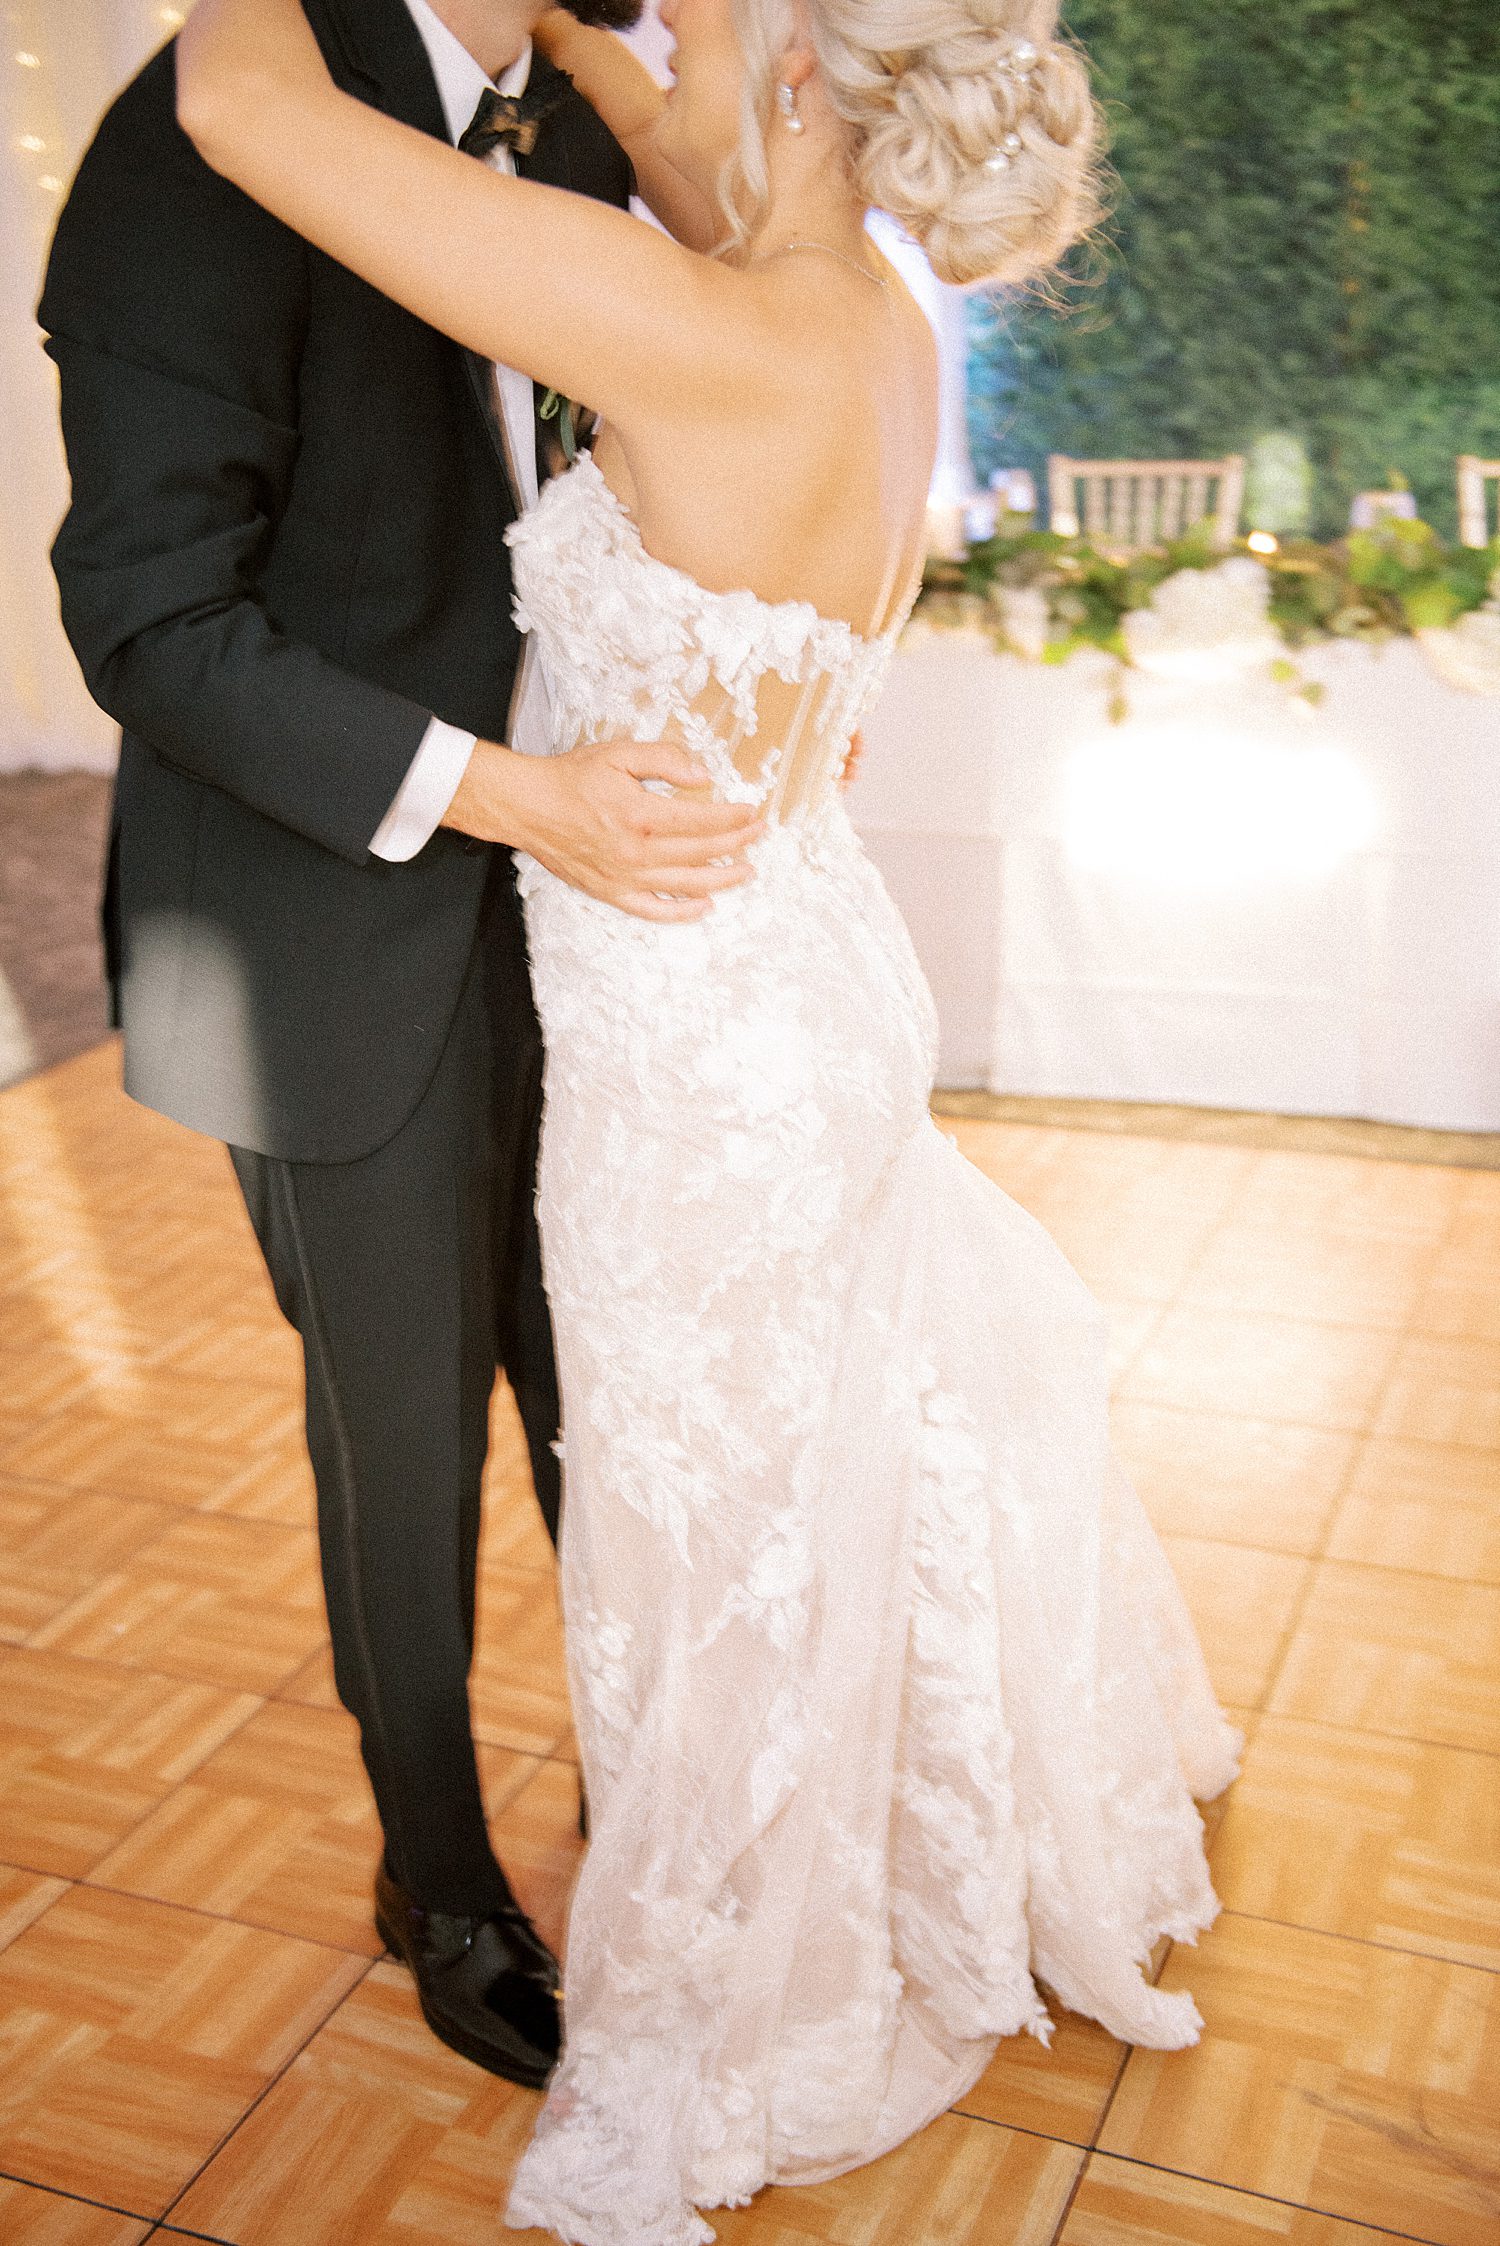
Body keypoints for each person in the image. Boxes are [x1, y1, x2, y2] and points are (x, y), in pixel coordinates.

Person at [173, 0, 1244, 2238]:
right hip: (809, 975)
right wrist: (572, 21)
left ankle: (748, 1983)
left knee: (705, 1520)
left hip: (696, 1052)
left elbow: (239, 102)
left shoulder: (678, 325)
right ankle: (892, 1842)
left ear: (792, 80)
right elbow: (697, 138)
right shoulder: (862, 324)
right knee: (820, 1466)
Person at [40, 0, 770, 2097]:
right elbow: (151, 616)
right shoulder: (208, 132)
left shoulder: (576, 134)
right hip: (318, 917)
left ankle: (664, 1796)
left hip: (587, 921)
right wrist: (512, 795)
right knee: (406, 1431)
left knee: (604, 1383)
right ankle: (439, 1877)